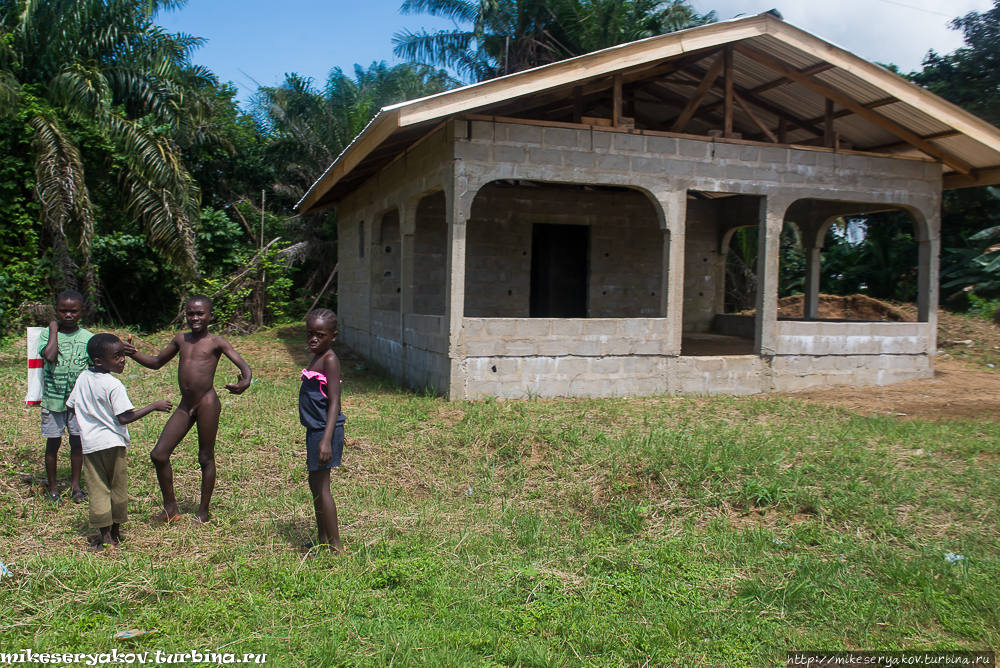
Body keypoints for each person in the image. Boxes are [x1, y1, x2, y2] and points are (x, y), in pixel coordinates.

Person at [124, 295, 252, 523]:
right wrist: (132, 353)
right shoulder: (180, 340)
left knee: (205, 457)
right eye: (190, 313)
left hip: (207, 403)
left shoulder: (216, 342)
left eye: (200, 313)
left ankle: (203, 510)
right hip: (186, 404)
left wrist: (245, 380)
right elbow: (155, 363)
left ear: (210, 316)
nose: (194, 318)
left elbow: (243, 365)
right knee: (159, 454)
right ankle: (170, 510)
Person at [67, 334, 172, 551]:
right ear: (99, 361)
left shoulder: (83, 378)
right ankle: (114, 537)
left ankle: (107, 540)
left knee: (98, 489)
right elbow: (124, 418)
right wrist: (154, 406)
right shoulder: (113, 385)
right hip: (114, 443)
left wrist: (90, 413)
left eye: (122, 355)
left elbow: (71, 406)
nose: (122, 360)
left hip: (91, 444)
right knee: (116, 488)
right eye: (116, 357)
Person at [38, 290, 93, 506]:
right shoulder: (47, 334)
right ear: (56, 311)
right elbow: (49, 356)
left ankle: (76, 486)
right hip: (53, 400)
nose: (68, 315)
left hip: (78, 402)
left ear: (81, 311)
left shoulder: (88, 338)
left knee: (77, 443)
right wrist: (53, 330)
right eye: (63, 311)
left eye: (73, 311)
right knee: (53, 443)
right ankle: (52, 488)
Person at [299, 308, 346, 555]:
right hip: (315, 431)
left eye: (320, 335)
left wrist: (327, 439)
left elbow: (335, 403)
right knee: (314, 486)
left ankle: (336, 547)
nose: (313, 339)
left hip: (323, 432)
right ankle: (322, 538)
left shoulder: (329, 359)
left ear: (333, 336)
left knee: (322, 487)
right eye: (309, 334)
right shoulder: (315, 356)